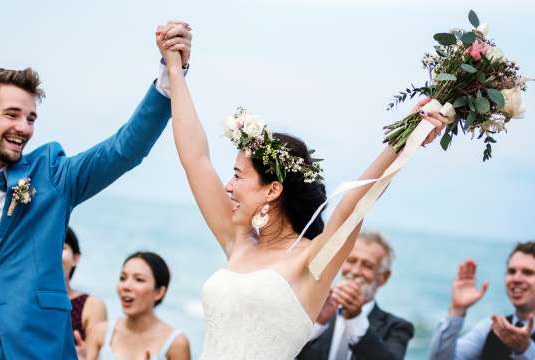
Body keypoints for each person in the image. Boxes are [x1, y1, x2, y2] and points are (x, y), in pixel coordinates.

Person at [156, 23, 448, 359]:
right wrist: (176, 69)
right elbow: (195, 159)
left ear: (272, 190)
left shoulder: (312, 260)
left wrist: (406, 136)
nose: (228, 186)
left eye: (238, 176)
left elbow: (354, 203)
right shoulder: (237, 240)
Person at [0, 22, 192, 359]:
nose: (23, 128)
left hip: (39, 349)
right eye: (12, 115)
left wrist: (170, 73)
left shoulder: (52, 176)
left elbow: (123, 149)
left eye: (31, 118)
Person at [297, 232, 414, 360]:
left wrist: (355, 319)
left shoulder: (397, 328)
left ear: (384, 277)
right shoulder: (315, 314)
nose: (355, 271)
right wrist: (318, 323)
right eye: (351, 261)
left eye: (367, 266)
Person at [429, 241, 535, 360]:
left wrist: (525, 349)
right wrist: (457, 309)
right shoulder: (491, 328)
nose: (516, 278)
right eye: (511, 271)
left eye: (528, 272)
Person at [86, 252, 190, 360]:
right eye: (123, 278)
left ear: (159, 292)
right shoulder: (100, 333)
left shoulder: (176, 343)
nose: (126, 286)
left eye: (139, 279)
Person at [63, 227, 107, 341]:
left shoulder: (91, 305)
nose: (53, 255)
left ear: (75, 258)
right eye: (48, 249)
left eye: (62, 247)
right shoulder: (25, 302)